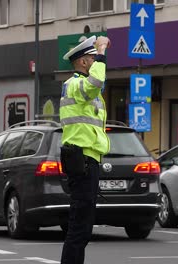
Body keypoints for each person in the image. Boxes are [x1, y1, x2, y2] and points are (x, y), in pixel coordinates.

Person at [59, 35, 111, 264]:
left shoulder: (80, 86)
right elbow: (96, 82)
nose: (95, 61)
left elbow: (98, 84)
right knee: (79, 228)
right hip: (82, 162)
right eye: (91, 58)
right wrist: (101, 51)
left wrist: (99, 55)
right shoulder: (76, 84)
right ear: (82, 62)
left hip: (88, 160)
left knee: (83, 227)